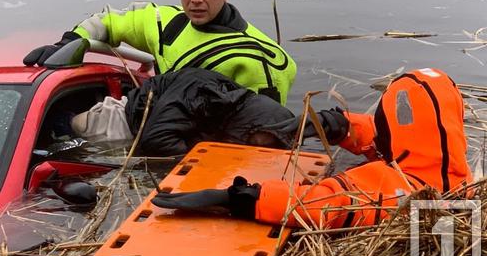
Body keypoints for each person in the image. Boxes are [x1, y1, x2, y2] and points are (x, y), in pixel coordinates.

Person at [152, 68, 473, 228]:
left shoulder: (391, 190)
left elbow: (317, 203)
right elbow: (401, 141)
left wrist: (236, 198)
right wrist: (339, 125)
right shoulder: (456, 175)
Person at [24, 0, 297, 105]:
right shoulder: (163, 22)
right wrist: (70, 41)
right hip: (163, 119)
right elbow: (106, 21)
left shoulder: (262, 59)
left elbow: (263, 135)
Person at [68, 67, 348, 157]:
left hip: (160, 123)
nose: (260, 149)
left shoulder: (240, 112)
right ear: (248, 128)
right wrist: (210, 158)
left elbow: (291, 130)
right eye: (260, 142)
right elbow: (155, 140)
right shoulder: (197, 93)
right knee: (73, 126)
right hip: (119, 125)